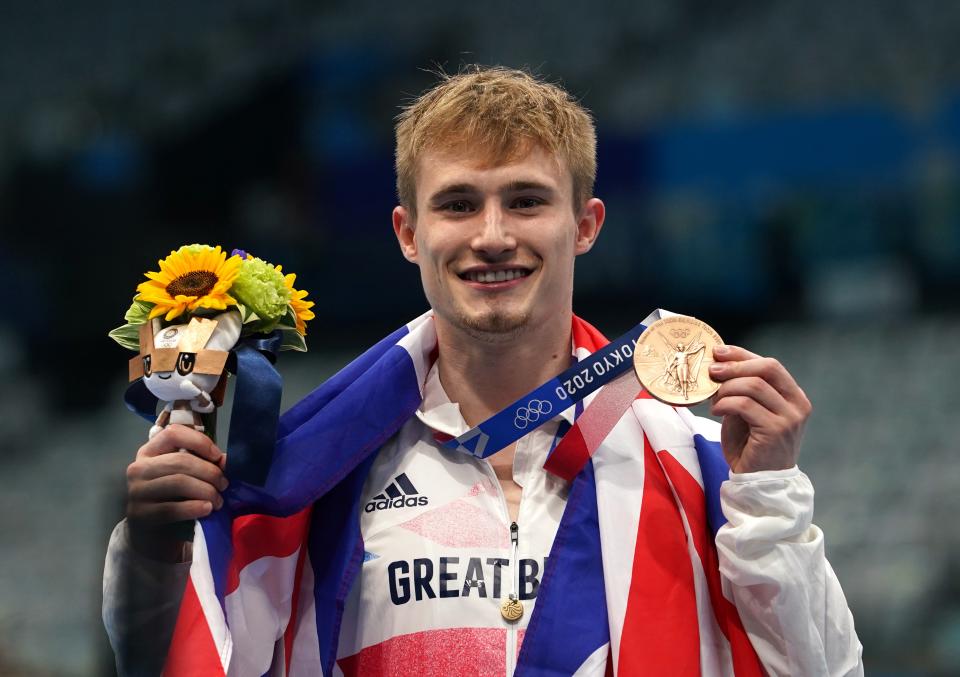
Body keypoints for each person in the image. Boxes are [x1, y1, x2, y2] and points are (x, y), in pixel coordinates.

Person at [103, 65, 863, 675]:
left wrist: (768, 492)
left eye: (526, 200)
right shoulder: (315, 472)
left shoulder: (696, 462)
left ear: (586, 224)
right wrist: (152, 545)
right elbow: (173, 656)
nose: (493, 236)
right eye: (459, 204)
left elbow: (825, 668)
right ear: (409, 233)